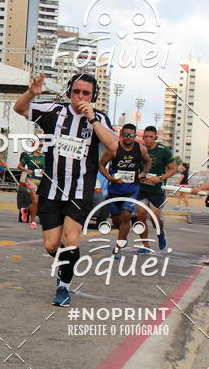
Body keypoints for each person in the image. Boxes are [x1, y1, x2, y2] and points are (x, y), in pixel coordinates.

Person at [14, 72, 117, 306]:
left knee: (71, 239)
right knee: (52, 244)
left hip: (80, 190)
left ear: (93, 96)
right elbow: (19, 109)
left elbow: (113, 145)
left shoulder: (99, 118)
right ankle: (67, 262)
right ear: (70, 92)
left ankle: (64, 287)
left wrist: (93, 119)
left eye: (85, 93)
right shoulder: (55, 112)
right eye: (76, 92)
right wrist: (31, 93)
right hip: (51, 188)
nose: (80, 96)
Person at [99, 124, 151, 257]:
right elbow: (101, 164)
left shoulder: (141, 149)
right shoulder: (114, 149)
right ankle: (123, 237)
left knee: (126, 215)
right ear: (122, 134)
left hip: (132, 189)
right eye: (126, 135)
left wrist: (145, 172)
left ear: (135, 135)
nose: (129, 138)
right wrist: (109, 177)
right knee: (116, 219)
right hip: (115, 190)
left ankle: (118, 248)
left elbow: (147, 162)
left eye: (131, 135)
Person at [135, 126, 177, 253]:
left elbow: (174, 169)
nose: (148, 139)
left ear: (155, 137)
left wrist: (160, 178)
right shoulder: (139, 149)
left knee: (155, 219)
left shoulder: (163, 151)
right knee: (140, 216)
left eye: (150, 137)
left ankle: (160, 233)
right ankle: (145, 246)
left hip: (157, 191)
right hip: (141, 188)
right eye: (145, 137)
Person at [17, 143, 45, 227]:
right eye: (38, 146)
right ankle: (33, 221)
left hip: (42, 180)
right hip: (31, 180)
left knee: (39, 202)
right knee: (35, 201)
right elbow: (19, 166)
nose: (39, 148)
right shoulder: (28, 156)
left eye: (41, 146)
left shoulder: (44, 156)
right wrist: (26, 170)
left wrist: (45, 170)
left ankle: (25, 210)